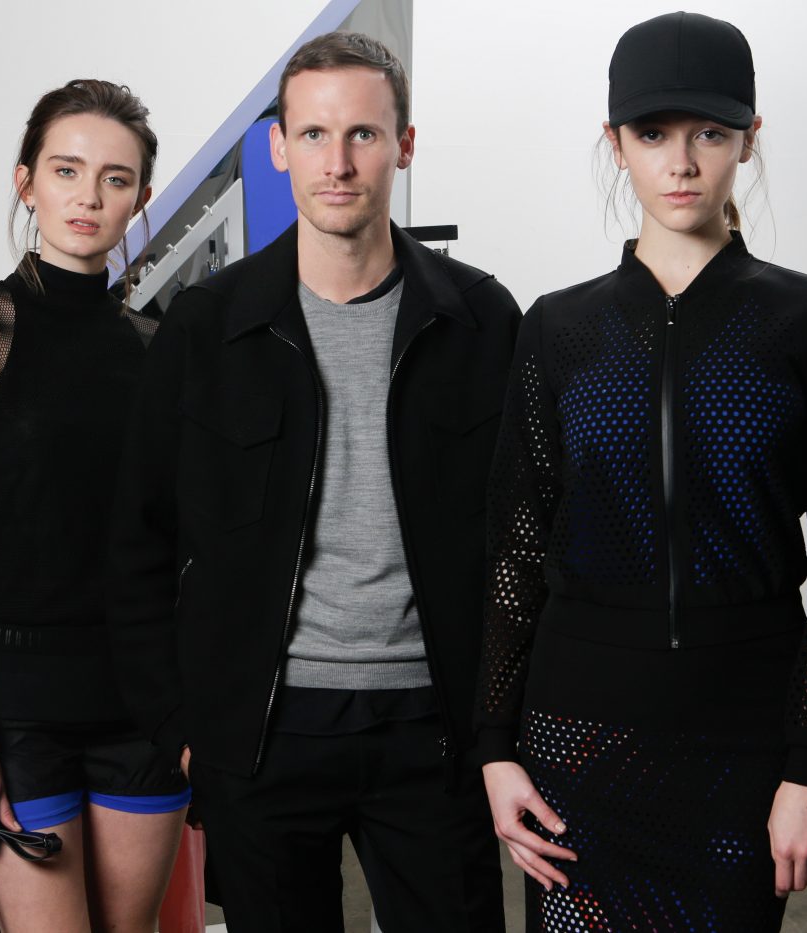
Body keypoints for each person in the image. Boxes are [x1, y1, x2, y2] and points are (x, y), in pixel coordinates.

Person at [108, 31, 519, 932]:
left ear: (405, 145)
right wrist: (186, 728)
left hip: (434, 729)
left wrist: (499, 723)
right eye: (315, 135)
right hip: (265, 735)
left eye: (364, 134)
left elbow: (525, 539)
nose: (338, 164)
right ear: (278, 147)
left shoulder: (482, 319)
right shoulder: (208, 328)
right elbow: (139, 540)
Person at [475, 12, 807, 931]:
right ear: (615, 143)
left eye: (710, 134)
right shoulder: (559, 329)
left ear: (748, 140)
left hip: (744, 738)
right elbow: (515, 551)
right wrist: (496, 746)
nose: (682, 163)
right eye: (653, 134)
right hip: (577, 737)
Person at [0, 79, 187, 933]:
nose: (88, 196)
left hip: (141, 708)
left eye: (115, 178)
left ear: (140, 199)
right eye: (67, 170)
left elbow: (180, 544)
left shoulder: (158, 347)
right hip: (17, 713)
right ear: (26, 182)